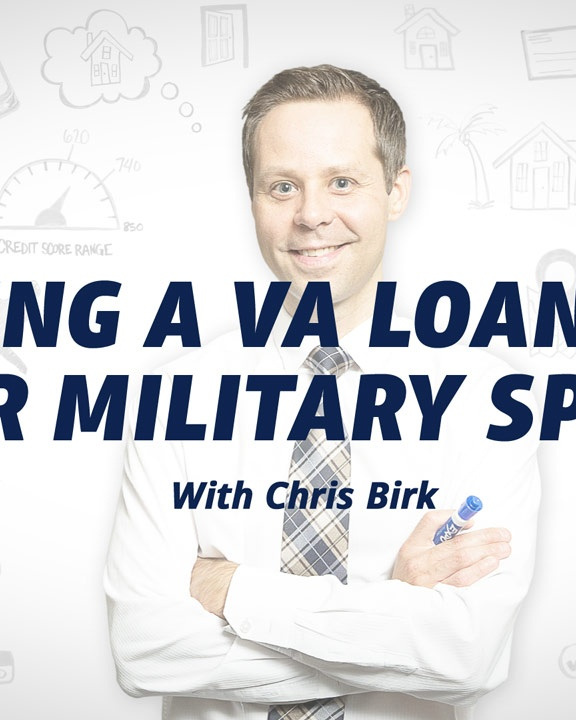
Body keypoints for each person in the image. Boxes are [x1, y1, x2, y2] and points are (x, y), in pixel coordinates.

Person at [104, 64, 541, 720]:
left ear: (396, 191)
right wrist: (390, 610)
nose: (311, 215)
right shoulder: (177, 396)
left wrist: (234, 594)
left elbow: (466, 658)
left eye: (342, 182)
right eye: (282, 186)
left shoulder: (489, 401)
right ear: (251, 197)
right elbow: (145, 651)